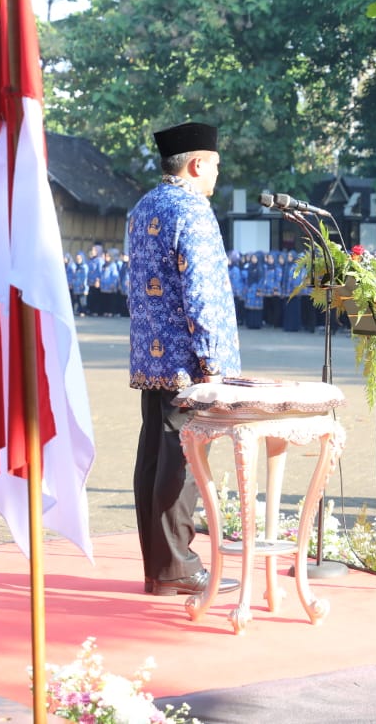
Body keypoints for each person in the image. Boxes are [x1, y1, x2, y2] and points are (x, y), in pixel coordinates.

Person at [128, 122, 241, 597]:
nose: (218, 174)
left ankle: (160, 567)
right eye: (215, 165)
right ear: (197, 164)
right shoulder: (193, 210)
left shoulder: (143, 207)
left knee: (155, 458)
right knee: (183, 463)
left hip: (151, 357)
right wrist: (214, 363)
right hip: (188, 364)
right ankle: (177, 567)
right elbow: (203, 292)